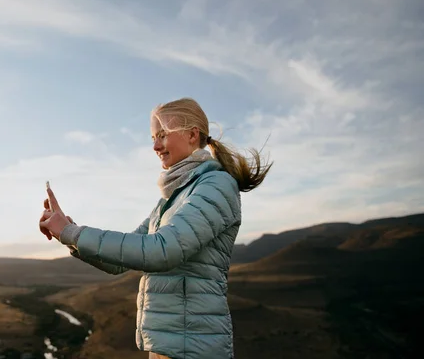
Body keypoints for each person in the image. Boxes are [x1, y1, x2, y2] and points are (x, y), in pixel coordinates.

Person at [39, 97, 272, 359]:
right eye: (153, 137)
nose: (154, 146)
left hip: (193, 347)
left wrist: (72, 233)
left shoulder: (215, 185)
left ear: (192, 134)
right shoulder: (173, 198)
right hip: (168, 345)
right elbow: (121, 262)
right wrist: (68, 232)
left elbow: (161, 251)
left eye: (162, 135)